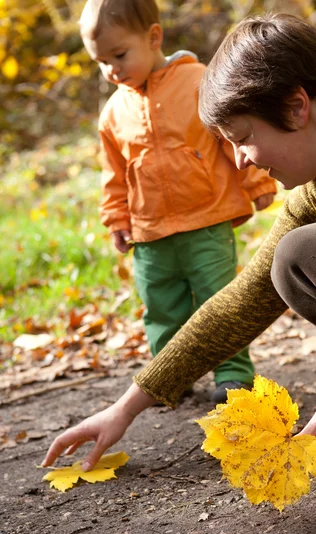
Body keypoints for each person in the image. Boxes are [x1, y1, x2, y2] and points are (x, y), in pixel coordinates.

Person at [43, 13, 316, 474]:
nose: (241, 162)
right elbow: (244, 298)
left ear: (295, 106)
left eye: (243, 138)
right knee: (297, 262)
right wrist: (125, 407)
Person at [77, 0, 277, 406]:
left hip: (208, 218)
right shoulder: (113, 111)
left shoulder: (198, 81)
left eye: (119, 55)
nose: (112, 69)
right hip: (149, 230)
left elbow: (231, 133)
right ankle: (169, 377)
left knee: (219, 298)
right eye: (101, 61)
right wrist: (116, 217)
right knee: (160, 306)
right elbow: (113, 173)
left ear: (154, 38)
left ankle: (233, 374)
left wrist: (256, 180)